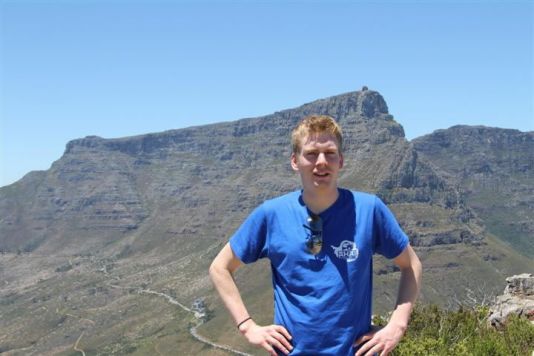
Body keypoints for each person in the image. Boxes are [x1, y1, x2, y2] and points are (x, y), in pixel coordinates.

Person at [209, 115, 422, 355]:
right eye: (311, 154)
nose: (321, 162)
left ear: (340, 161)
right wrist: (247, 326)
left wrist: (397, 324)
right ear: (295, 161)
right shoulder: (272, 214)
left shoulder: (369, 210)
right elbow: (220, 268)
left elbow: (411, 264)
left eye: (330, 153)